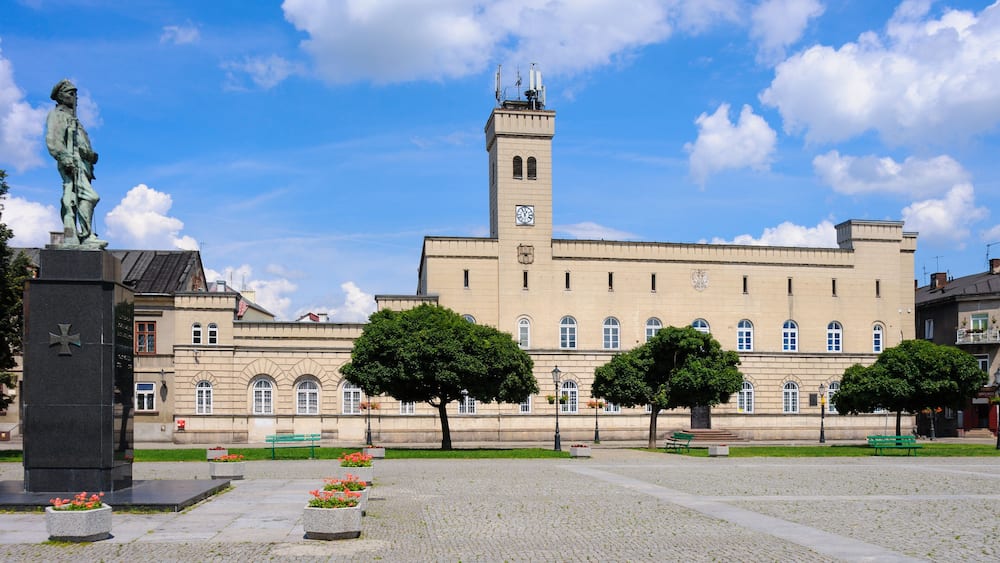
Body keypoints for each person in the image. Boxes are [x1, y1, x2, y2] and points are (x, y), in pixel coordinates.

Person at [45, 79, 106, 248]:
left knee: (75, 199)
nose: (75, 98)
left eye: (75, 94)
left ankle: (76, 235)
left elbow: (82, 144)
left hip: (82, 165)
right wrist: (64, 157)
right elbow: (53, 140)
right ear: (60, 96)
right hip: (71, 162)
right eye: (71, 94)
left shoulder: (73, 119)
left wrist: (90, 156)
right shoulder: (57, 115)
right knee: (85, 197)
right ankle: (84, 235)